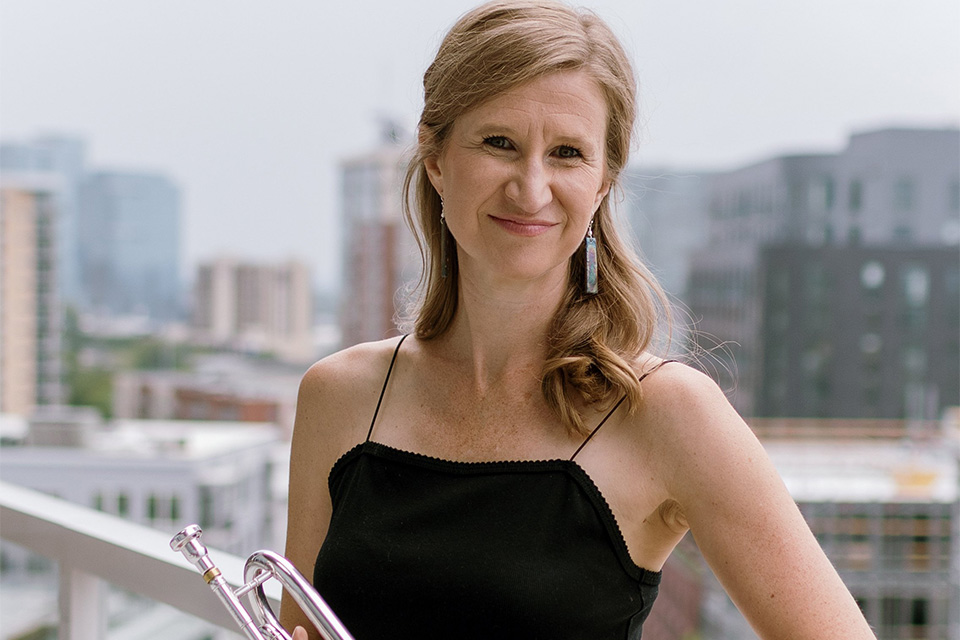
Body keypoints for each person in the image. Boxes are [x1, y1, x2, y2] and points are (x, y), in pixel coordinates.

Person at [282, 1, 876, 638]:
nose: (531, 189)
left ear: (602, 184)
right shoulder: (338, 396)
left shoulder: (665, 411)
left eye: (567, 153)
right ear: (435, 156)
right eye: (499, 143)